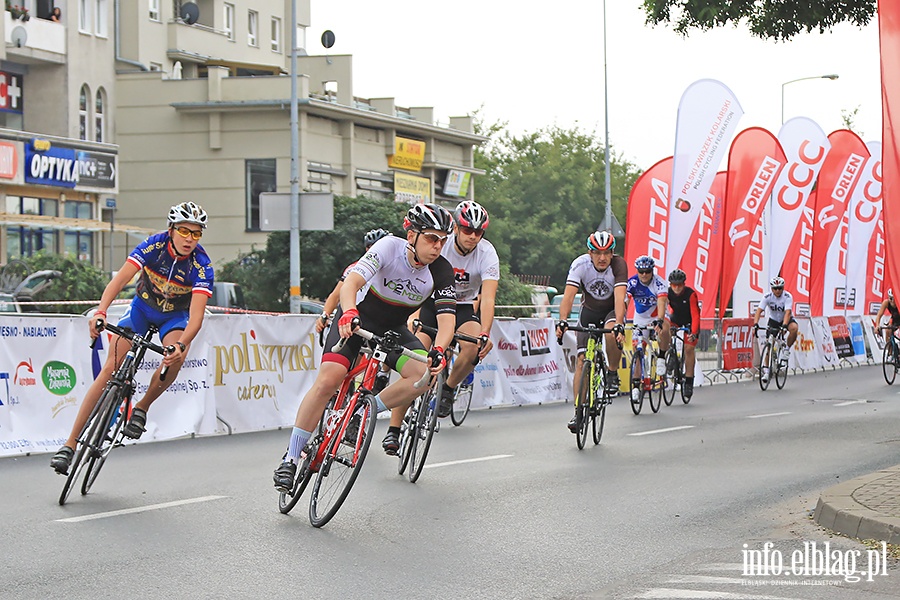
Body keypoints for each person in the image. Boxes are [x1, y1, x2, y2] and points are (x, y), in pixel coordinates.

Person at [273, 204, 457, 491]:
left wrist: (440, 350)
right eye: (432, 238)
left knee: (423, 376)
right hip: (357, 318)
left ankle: (364, 413)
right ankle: (291, 456)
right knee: (329, 380)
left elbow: (448, 320)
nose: (438, 247)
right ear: (412, 235)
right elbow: (350, 285)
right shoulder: (387, 247)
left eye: (443, 240)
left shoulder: (442, 270)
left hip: (393, 328)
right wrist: (347, 313)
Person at [50, 202, 214, 474]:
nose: (189, 239)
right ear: (171, 229)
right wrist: (101, 312)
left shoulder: (201, 265)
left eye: (196, 234)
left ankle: (141, 407)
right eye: (184, 231)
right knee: (108, 372)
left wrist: (181, 345)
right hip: (141, 309)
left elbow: (196, 318)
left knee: (174, 358)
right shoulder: (153, 246)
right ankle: (69, 446)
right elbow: (119, 281)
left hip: (173, 318)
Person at [381, 201, 498, 454]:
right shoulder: (439, 246)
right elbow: (414, 280)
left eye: (479, 232)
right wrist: (411, 316)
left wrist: (486, 332)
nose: (473, 237)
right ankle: (394, 428)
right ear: (456, 228)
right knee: (417, 360)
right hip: (431, 304)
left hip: (463, 307)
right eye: (468, 230)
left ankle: (448, 388)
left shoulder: (487, 253)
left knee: (474, 345)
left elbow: (487, 298)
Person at [555, 230, 627, 434]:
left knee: (611, 331)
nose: (602, 258)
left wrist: (620, 324)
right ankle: (578, 412)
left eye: (607, 253)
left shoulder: (619, 265)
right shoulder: (580, 264)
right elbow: (568, 297)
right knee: (581, 361)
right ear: (590, 252)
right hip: (589, 311)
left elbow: (620, 298)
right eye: (597, 252)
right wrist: (562, 321)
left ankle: (612, 373)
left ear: (612, 253)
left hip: (612, 309)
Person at [625, 255, 671, 393]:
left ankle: (662, 357)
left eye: (647, 272)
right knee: (638, 349)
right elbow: (625, 302)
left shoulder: (659, 283)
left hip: (658, 314)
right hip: (641, 317)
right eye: (641, 272)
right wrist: (620, 318)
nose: (644, 275)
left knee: (664, 329)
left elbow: (662, 303)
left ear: (652, 271)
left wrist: (660, 320)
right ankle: (636, 384)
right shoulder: (632, 283)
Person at [752, 276, 799, 380]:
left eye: (780, 288)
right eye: (775, 288)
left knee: (794, 328)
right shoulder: (767, 297)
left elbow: (787, 312)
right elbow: (759, 311)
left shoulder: (787, 296)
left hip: (786, 319)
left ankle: (786, 350)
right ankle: (766, 372)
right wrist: (755, 323)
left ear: (783, 288)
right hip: (773, 321)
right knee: (769, 346)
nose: (778, 291)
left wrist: (785, 326)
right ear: (772, 289)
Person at [665, 268, 700, 399]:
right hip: (675, 319)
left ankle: (689, 381)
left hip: (690, 321)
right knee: (665, 330)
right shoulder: (667, 293)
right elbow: (664, 309)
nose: (677, 288)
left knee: (689, 348)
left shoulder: (690, 294)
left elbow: (695, 315)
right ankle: (671, 353)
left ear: (684, 284)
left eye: (680, 285)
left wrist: (694, 332)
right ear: (670, 285)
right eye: (674, 285)